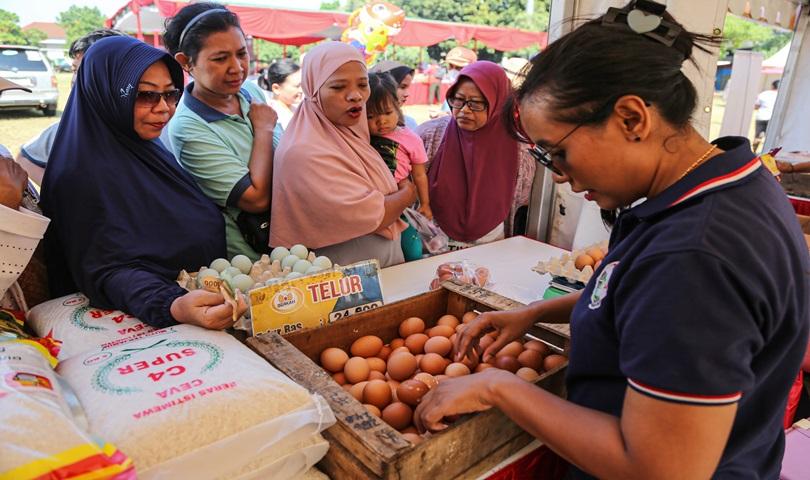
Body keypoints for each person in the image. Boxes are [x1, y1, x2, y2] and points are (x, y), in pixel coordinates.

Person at [414, 3, 809, 478]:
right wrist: (537, 312)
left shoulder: (694, 257)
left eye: (559, 152)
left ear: (630, 119)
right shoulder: (722, 181)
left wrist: (502, 389)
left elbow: (659, 469)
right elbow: (636, 293)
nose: (559, 176)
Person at [40, 36, 245, 330]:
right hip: (153, 329)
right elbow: (106, 269)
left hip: (201, 308)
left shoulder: (143, 149)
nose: (164, 108)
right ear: (107, 93)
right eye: (146, 95)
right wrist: (172, 304)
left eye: (171, 94)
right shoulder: (81, 176)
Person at [270, 41, 415, 267]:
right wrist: (408, 193)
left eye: (362, 84)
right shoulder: (303, 152)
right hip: (345, 280)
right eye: (338, 87)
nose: (356, 96)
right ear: (313, 90)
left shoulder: (350, 132)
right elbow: (373, 214)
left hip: (381, 270)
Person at [164, 3, 278, 261]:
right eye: (220, 58)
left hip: (293, 241)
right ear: (186, 62)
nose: (237, 68)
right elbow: (256, 199)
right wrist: (263, 130)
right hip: (251, 261)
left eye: (241, 54)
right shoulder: (188, 128)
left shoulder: (251, 93)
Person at [416, 61, 535, 246]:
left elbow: (522, 199)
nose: (464, 110)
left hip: (490, 245)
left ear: (498, 104)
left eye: (476, 104)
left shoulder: (521, 152)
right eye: (458, 100)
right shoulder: (429, 135)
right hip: (433, 242)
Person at [15, 29, 126, 185]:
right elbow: (24, 159)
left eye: (87, 70)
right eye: (74, 70)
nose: (75, 79)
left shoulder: (152, 124)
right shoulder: (66, 128)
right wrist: (59, 193)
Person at [367, 72, 430, 220]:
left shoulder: (411, 139)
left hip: (399, 203)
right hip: (370, 202)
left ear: (398, 105)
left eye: (387, 112)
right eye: (370, 116)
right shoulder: (359, 136)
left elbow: (419, 175)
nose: (381, 121)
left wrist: (425, 204)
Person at [369, 60, 418, 130]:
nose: (407, 94)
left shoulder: (409, 124)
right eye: (402, 87)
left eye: (388, 113)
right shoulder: (360, 123)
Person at [259, 58, 302, 132]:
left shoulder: (298, 107)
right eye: (297, 86)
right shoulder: (272, 117)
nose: (301, 90)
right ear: (276, 88)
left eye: (302, 84)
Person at [753, 79, 780, 152]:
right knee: (770, 138)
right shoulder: (780, 96)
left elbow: (756, 106)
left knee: (757, 136)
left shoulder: (764, 93)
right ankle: (766, 153)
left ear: (772, 86)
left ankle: (754, 151)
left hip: (761, 117)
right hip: (772, 118)